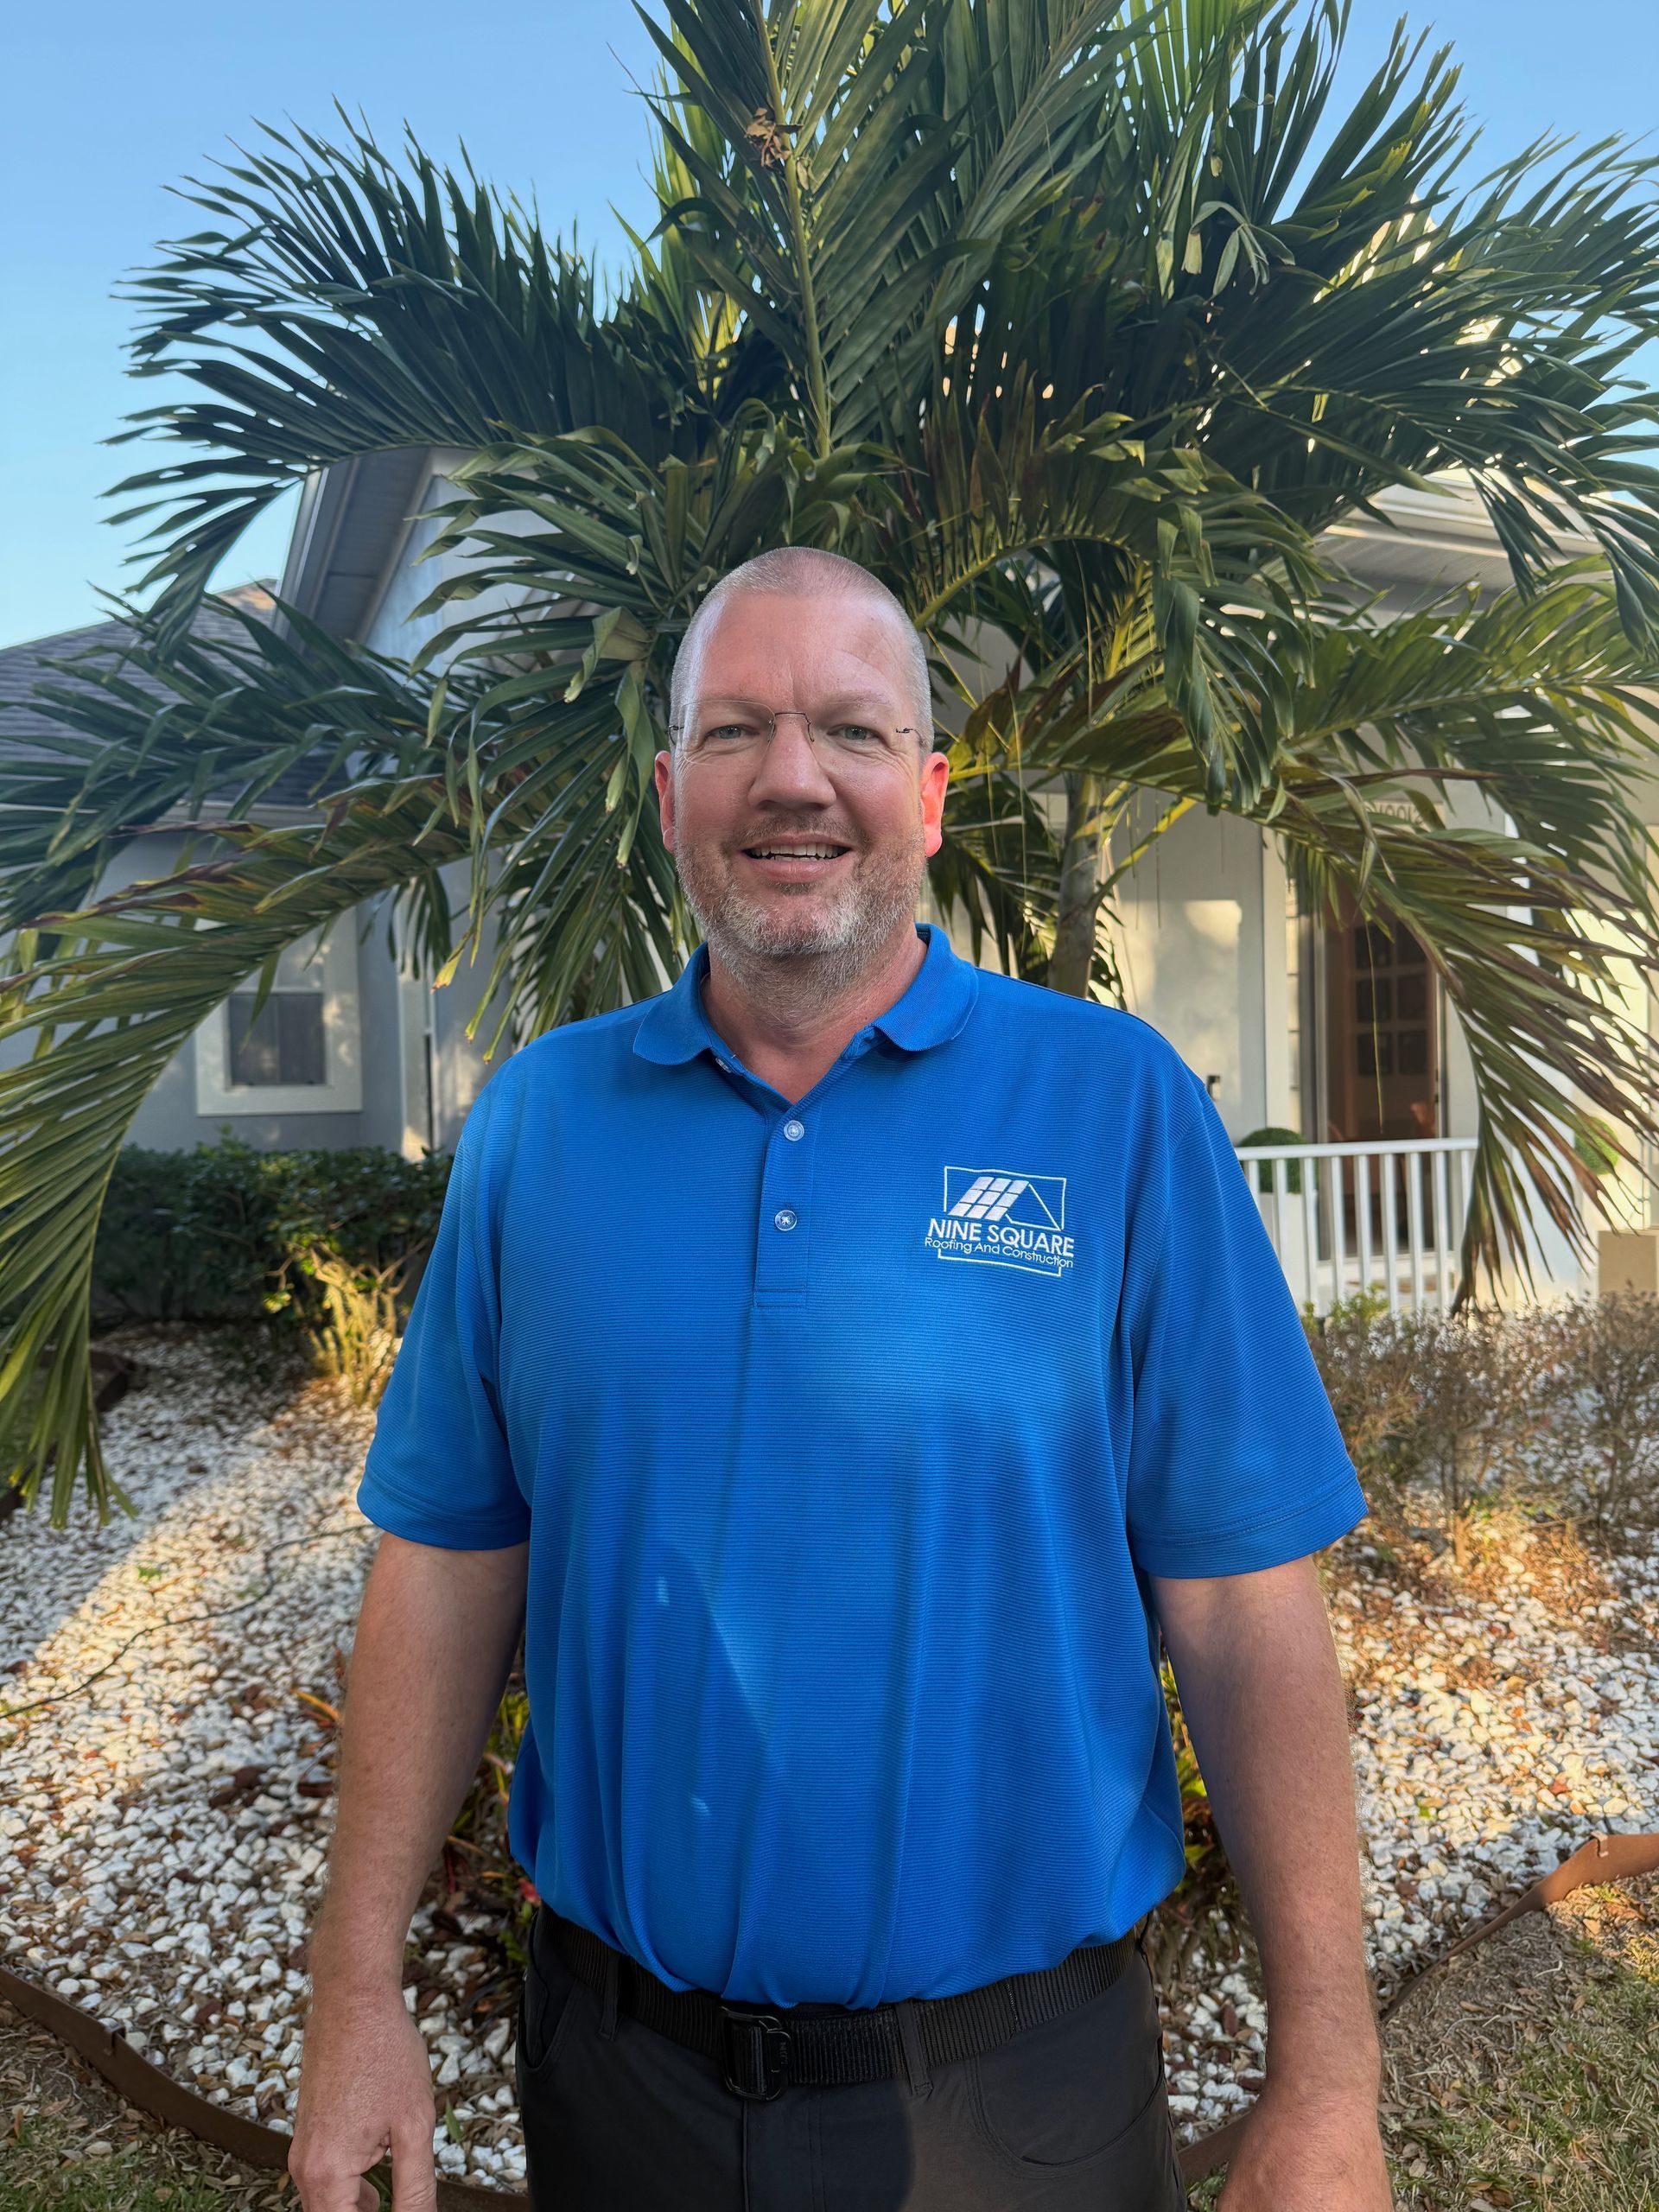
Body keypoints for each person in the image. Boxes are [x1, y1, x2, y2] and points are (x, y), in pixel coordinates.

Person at [288, 548, 1393, 2212]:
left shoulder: (1114, 1111)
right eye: (737, 730)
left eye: (851, 731)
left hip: (1018, 2107)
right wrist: (354, 1988)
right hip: (617, 2079)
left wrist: (1327, 2081)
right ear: (669, 797)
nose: (792, 778)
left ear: (930, 793)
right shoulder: (540, 1129)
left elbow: (1244, 1612)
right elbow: (449, 1560)